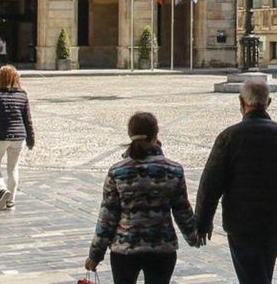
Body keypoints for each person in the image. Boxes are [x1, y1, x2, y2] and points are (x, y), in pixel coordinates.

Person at [195, 80, 277, 284]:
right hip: (275, 223)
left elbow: (210, 184)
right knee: (261, 273)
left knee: (253, 277)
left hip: (241, 224)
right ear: (269, 102)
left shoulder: (229, 137)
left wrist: (202, 222)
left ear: (241, 102)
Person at [85, 112, 199, 284]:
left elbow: (108, 217)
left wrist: (95, 255)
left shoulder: (118, 172)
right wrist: (193, 236)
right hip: (162, 247)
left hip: (125, 249)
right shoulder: (173, 170)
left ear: (130, 134)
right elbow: (182, 210)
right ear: (156, 134)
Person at [0, 65, 35, 211]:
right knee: (13, 168)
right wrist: (31, 139)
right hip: (19, 137)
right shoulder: (23, 95)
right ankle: (11, 201)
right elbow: (28, 119)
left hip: (0, 136)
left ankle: (2, 189)